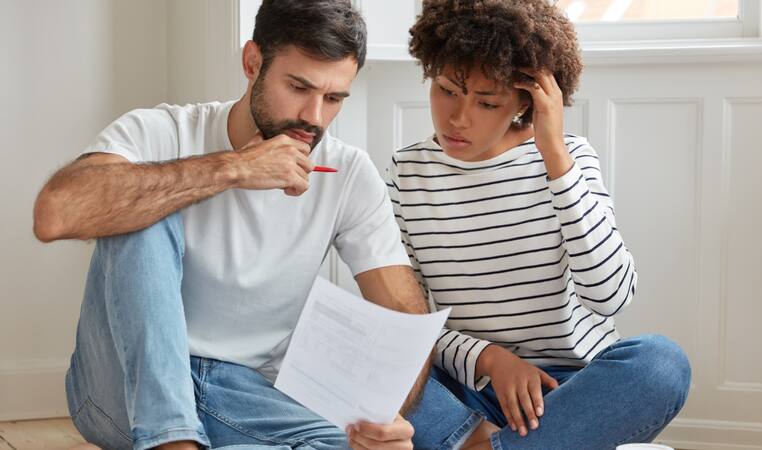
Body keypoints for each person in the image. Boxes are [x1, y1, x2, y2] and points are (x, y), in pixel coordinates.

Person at [33, 1, 483, 449]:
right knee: (140, 202)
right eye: (298, 87)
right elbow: (55, 214)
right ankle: (173, 440)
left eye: (332, 99)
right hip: (119, 386)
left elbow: (404, 314)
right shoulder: (161, 131)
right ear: (253, 62)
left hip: (243, 392)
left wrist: (388, 420)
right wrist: (232, 169)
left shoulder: (348, 173)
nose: (313, 117)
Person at [388, 1, 692, 449]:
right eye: (447, 89)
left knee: (663, 364)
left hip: (569, 391)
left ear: (525, 101)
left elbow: (610, 298)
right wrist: (489, 359)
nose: (458, 117)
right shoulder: (407, 171)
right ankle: (486, 440)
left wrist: (554, 156)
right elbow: (406, 320)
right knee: (372, 360)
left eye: (487, 102)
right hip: (467, 387)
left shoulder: (569, 157)